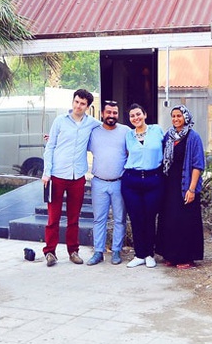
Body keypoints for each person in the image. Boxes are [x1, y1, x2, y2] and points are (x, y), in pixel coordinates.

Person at [41, 89, 100, 267]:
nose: (78, 106)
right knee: (53, 217)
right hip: (57, 175)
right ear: (72, 102)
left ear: (88, 107)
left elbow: (108, 128)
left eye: (82, 104)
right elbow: (50, 147)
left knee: (74, 217)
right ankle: (50, 252)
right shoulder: (60, 121)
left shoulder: (92, 123)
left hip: (78, 177)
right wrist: (46, 172)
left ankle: (73, 251)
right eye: (76, 102)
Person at [156, 105, 205, 269]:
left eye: (179, 116)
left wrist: (192, 189)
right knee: (169, 221)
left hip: (185, 185)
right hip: (169, 186)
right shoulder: (168, 136)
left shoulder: (193, 137)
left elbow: (198, 165)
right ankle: (171, 255)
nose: (176, 119)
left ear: (186, 117)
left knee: (184, 222)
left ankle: (186, 257)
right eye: (173, 116)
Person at [121, 103, 164, 268]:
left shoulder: (156, 130)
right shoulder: (128, 135)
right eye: (132, 116)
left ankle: (149, 254)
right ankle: (139, 254)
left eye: (138, 114)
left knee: (150, 217)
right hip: (132, 180)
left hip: (153, 179)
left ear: (144, 114)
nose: (136, 118)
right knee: (136, 218)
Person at [86, 100, 129, 266]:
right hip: (99, 182)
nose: (112, 116)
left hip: (119, 182)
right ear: (102, 114)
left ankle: (116, 251)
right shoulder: (93, 132)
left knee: (119, 219)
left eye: (115, 113)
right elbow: (75, 144)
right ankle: (98, 252)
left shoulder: (126, 131)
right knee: (99, 219)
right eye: (109, 112)